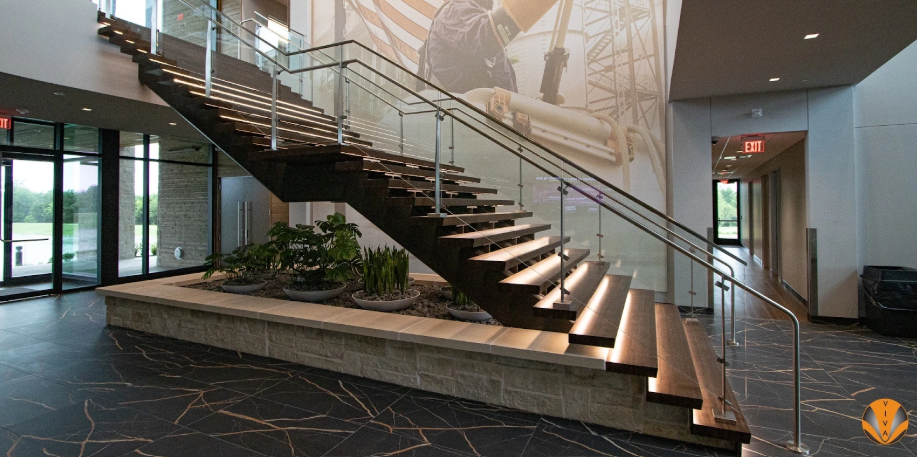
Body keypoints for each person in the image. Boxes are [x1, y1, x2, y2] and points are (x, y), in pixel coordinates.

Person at [418, 0, 560, 94]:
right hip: (471, 125)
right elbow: (489, 36)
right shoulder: (454, 9)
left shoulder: (471, 16)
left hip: (482, 127)